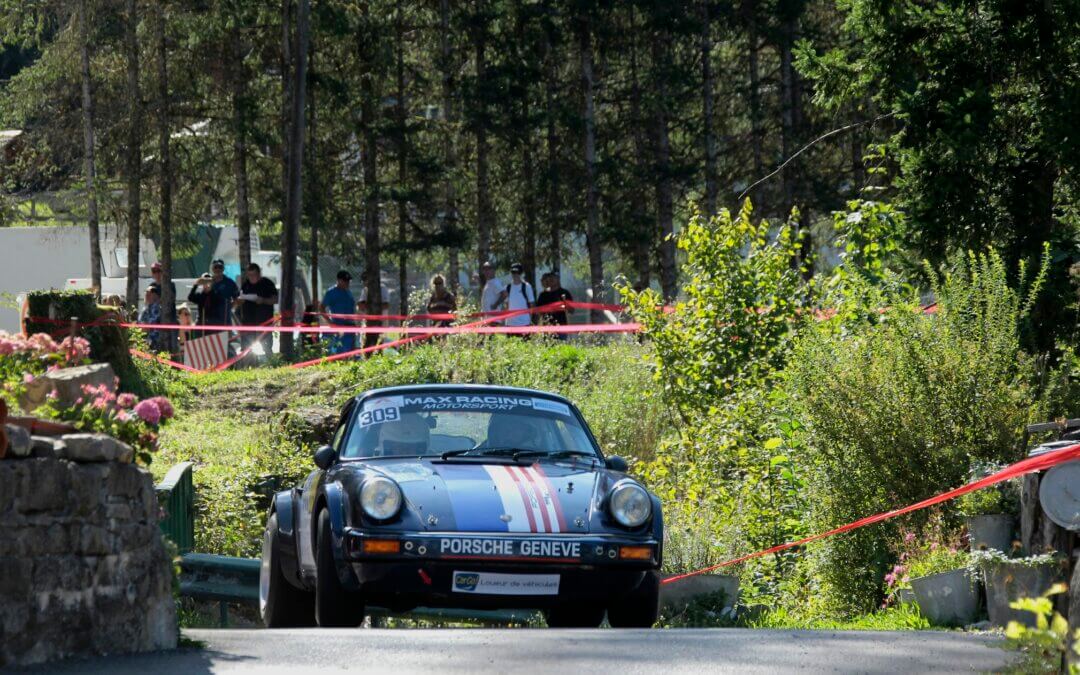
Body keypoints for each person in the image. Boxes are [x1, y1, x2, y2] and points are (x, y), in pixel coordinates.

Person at [235, 263, 279, 356]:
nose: (251, 277)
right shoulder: (246, 285)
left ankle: (270, 366)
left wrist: (263, 300)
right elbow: (239, 300)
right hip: (248, 323)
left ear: (259, 274)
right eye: (249, 275)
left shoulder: (267, 283)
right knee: (247, 349)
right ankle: (249, 367)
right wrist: (240, 301)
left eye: (253, 275)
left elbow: (275, 299)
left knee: (267, 348)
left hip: (264, 322)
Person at [187, 259, 239, 333]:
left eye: (220, 267)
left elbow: (236, 298)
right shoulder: (204, 292)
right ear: (212, 269)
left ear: (223, 268)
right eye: (215, 267)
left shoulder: (229, 283)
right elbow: (191, 297)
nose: (218, 269)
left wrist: (229, 308)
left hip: (224, 320)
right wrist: (196, 284)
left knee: (225, 340)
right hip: (207, 323)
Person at [321, 270, 357, 355]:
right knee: (339, 352)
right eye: (345, 281)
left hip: (350, 326)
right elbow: (321, 308)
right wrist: (330, 323)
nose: (347, 283)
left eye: (348, 281)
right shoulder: (331, 292)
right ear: (339, 280)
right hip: (338, 326)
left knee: (350, 352)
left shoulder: (348, 292)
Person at [496, 262, 536, 333]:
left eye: (517, 272)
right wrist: (504, 321)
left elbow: (532, 304)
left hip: (525, 323)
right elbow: (506, 306)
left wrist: (530, 320)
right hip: (510, 324)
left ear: (521, 273)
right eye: (513, 272)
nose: (515, 274)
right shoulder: (507, 287)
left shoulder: (527, 286)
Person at [536, 271, 574, 339]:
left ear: (558, 279)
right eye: (550, 278)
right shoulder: (543, 295)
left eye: (554, 277)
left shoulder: (565, 293)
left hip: (561, 327)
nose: (551, 280)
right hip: (547, 328)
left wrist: (565, 305)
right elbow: (538, 311)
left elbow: (572, 310)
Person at [139, 284, 164, 352]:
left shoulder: (156, 308)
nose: (146, 295)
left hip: (153, 343)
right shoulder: (146, 308)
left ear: (155, 295)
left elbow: (148, 326)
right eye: (146, 292)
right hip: (146, 342)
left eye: (149, 293)